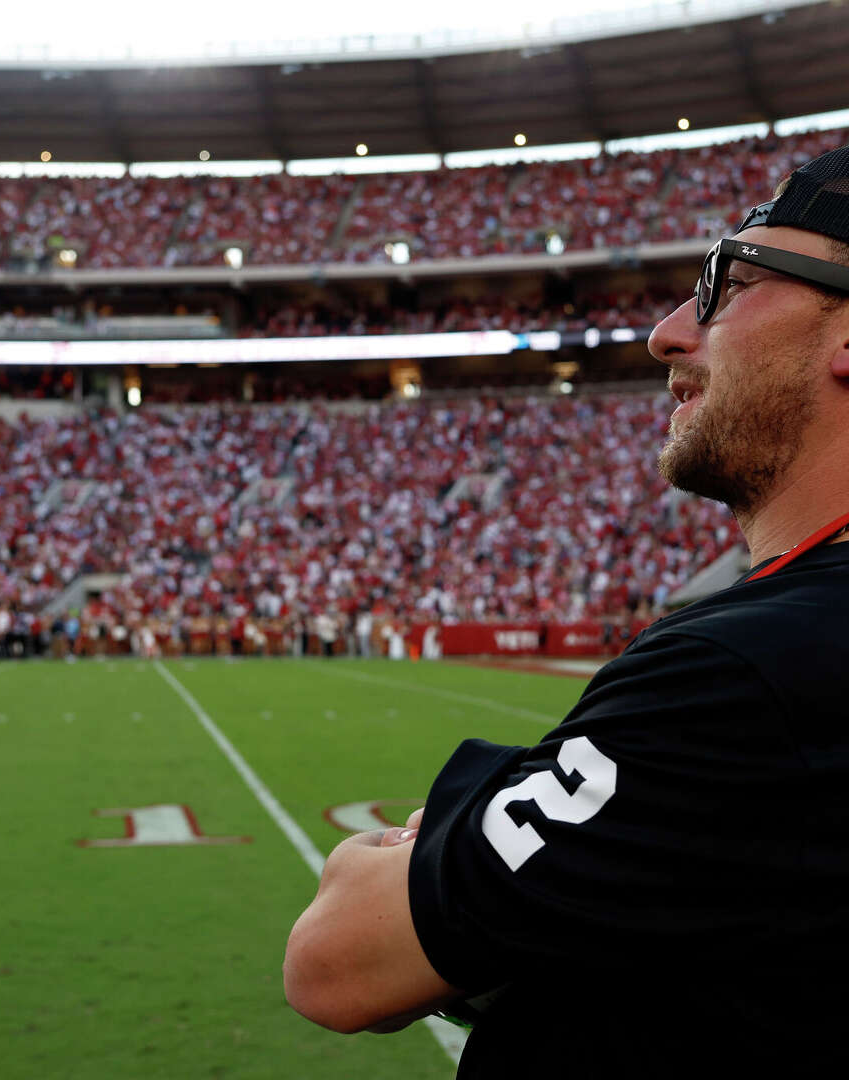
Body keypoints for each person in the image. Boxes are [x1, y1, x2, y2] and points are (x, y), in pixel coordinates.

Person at [283, 145, 849, 1076]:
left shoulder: (746, 676)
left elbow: (338, 961)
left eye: (731, 284)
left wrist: (449, 822)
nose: (669, 332)